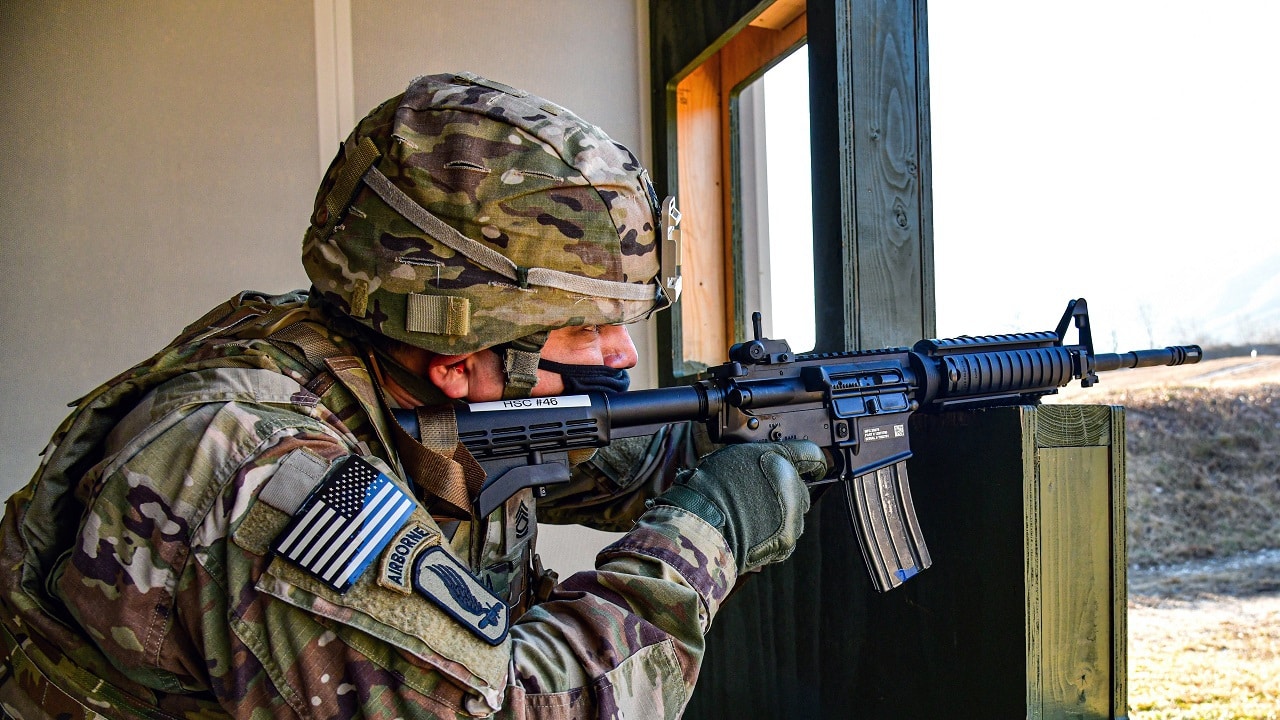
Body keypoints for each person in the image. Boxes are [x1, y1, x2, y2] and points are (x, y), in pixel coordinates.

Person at [0, 72, 826, 719]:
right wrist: (707, 534)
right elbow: (518, 709)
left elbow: (584, 454)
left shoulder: (381, 360)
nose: (623, 354)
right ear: (459, 356)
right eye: (585, 330)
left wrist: (735, 428)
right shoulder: (252, 471)